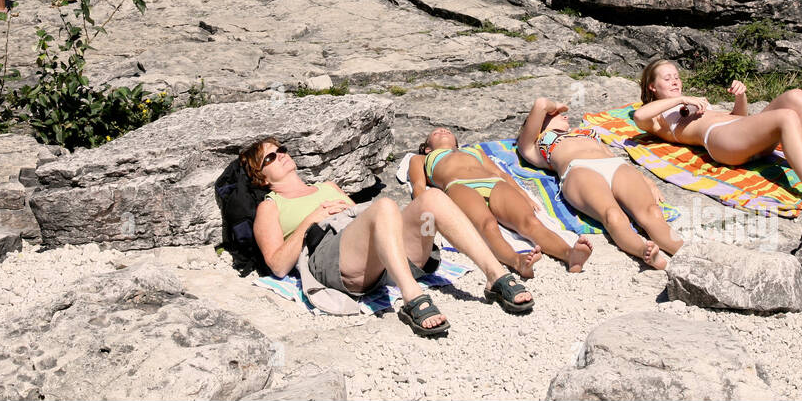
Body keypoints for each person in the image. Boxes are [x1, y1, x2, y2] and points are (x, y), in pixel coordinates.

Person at [244, 137, 534, 338]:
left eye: (281, 149)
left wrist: (352, 209)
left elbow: (361, 217)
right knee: (384, 206)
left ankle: (494, 276)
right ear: (262, 175)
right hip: (333, 256)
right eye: (271, 156)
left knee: (431, 199)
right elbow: (278, 265)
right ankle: (412, 297)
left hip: (379, 254)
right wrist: (313, 218)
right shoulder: (270, 207)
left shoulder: (327, 185)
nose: (281, 155)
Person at [631, 58, 802, 215]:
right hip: (721, 142)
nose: (675, 82)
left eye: (677, 77)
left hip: (739, 133)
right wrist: (681, 100)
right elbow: (639, 115)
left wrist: (741, 97)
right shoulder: (658, 116)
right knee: (786, 117)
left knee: (798, 97)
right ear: (652, 86)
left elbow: (739, 118)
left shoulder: (691, 100)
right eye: (668, 78)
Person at [516, 97, 680, 269]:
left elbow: (610, 155)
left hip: (615, 166)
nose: (564, 115)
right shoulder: (534, 145)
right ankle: (643, 250)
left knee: (652, 212)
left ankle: (682, 249)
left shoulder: (585, 132)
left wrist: (646, 180)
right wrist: (555, 106)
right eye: (554, 114)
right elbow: (541, 104)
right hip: (578, 169)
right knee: (613, 216)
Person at [409, 128, 594, 277]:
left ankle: (570, 255)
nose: (443, 131)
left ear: (457, 141)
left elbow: (500, 173)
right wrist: (423, 212)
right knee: (487, 226)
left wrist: (524, 194)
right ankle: (517, 262)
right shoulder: (421, 159)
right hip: (459, 185)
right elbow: (418, 185)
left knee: (529, 222)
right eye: (436, 132)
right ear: (427, 148)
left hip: (493, 183)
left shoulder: (474, 151)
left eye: (448, 131)